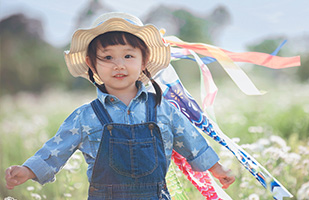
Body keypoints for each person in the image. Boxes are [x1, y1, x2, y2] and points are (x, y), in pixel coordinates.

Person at [5, 12, 235, 199]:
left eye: (128, 56)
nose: (118, 65)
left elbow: (191, 141)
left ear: (143, 61)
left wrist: (216, 168)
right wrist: (28, 170)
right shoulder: (85, 116)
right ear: (91, 63)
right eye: (107, 57)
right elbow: (56, 149)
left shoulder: (163, 109)